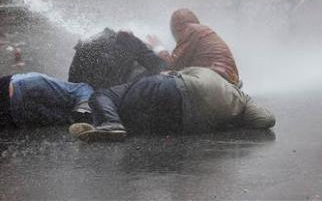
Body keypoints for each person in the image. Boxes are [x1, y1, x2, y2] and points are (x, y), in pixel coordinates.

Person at [69, 67, 275, 143]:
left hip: (173, 90)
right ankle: (113, 123)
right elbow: (267, 119)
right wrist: (230, 120)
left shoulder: (204, 71)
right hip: (181, 123)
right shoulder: (242, 100)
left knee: (103, 94)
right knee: (141, 120)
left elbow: (167, 74)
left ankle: (109, 122)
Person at [146, 8, 241, 86]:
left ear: (176, 28)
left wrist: (158, 48)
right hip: (228, 78)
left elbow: (171, 65)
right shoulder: (201, 32)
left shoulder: (191, 30)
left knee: (159, 80)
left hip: (217, 77)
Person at [68, 28, 167, 89]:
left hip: (80, 95)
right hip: (111, 99)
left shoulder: (89, 40)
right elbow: (161, 66)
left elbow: (73, 78)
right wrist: (159, 48)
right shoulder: (131, 43)